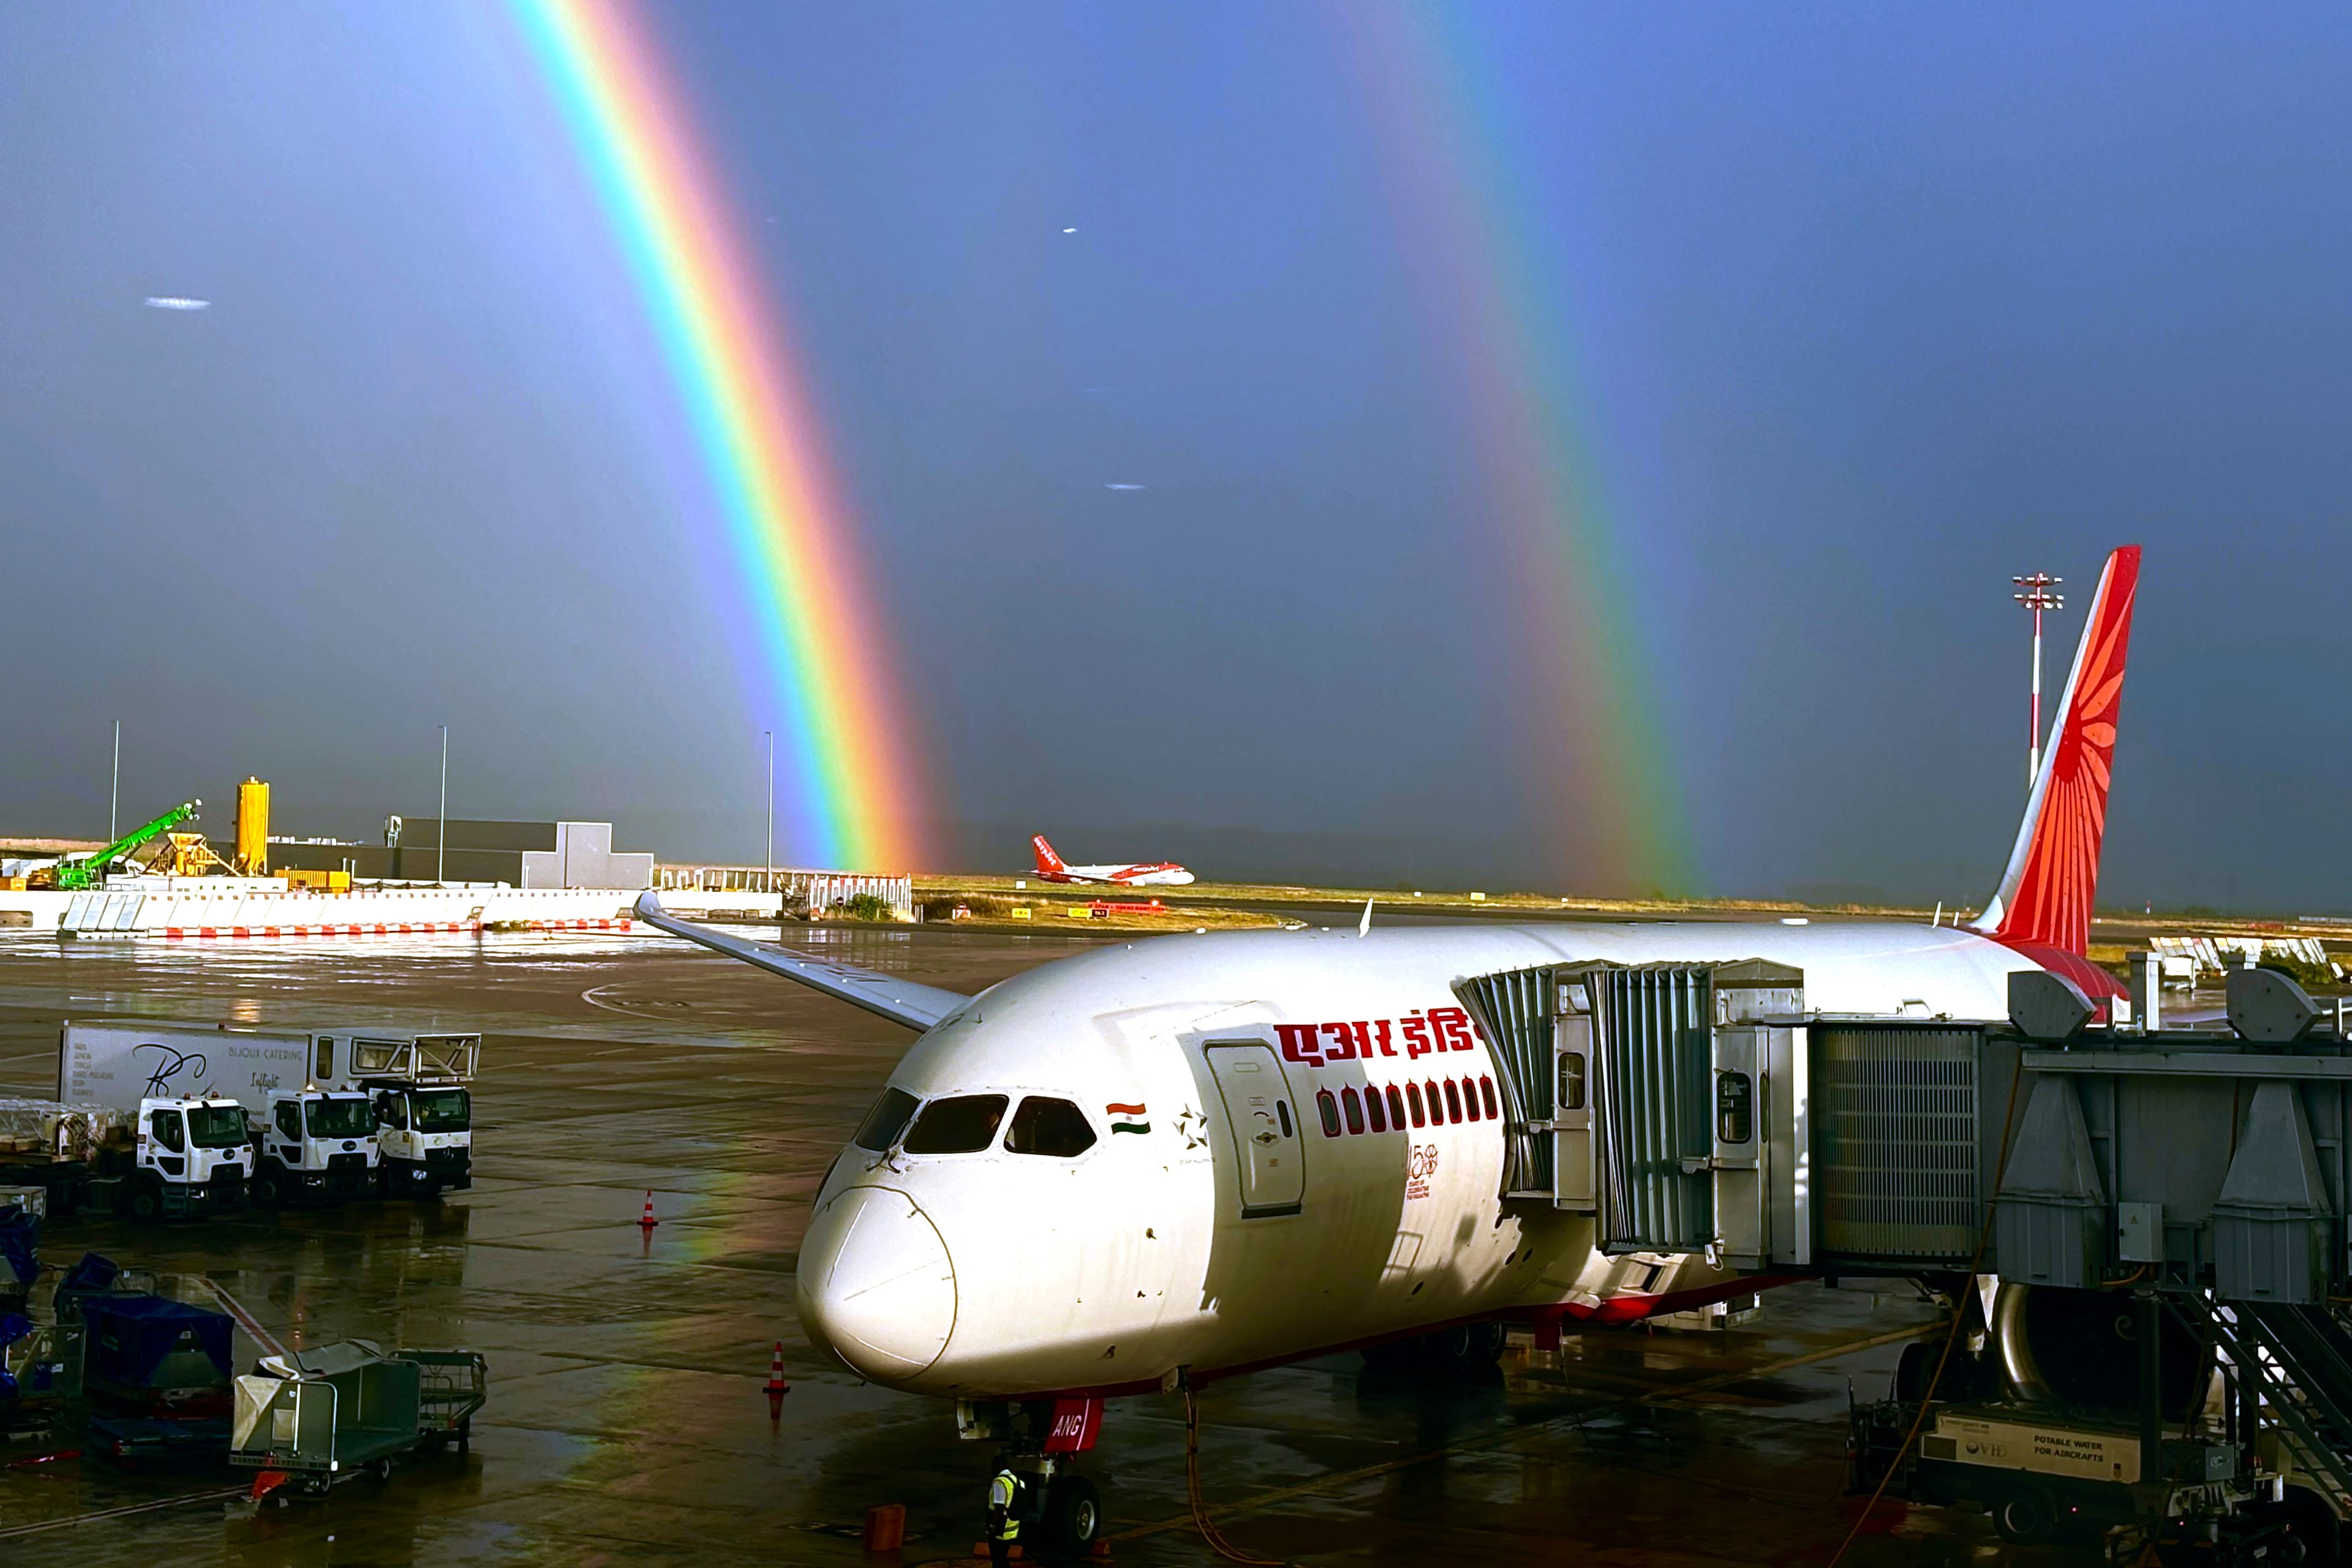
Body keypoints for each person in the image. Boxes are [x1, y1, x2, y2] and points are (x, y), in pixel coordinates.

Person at [986, 1464, 1025, 1566]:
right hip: (1013, 1528)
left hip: (1001, 1529)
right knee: (1003, 1559)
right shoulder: (1018, 1481)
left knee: (998, 1560)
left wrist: (993, 1526)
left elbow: (999, 1506)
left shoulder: (1000, 1482)